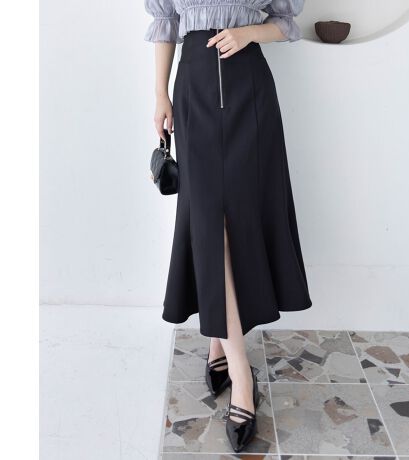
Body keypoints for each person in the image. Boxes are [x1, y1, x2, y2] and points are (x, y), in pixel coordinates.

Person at [144, 0, 312, 451]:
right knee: (208, 224)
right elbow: (166, 22)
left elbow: (286, 22)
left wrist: (249, 34)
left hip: (249, 89)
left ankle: (223, 349)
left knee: (239, 218)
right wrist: (160, 94)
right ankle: (241, 374)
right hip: (194, 87)